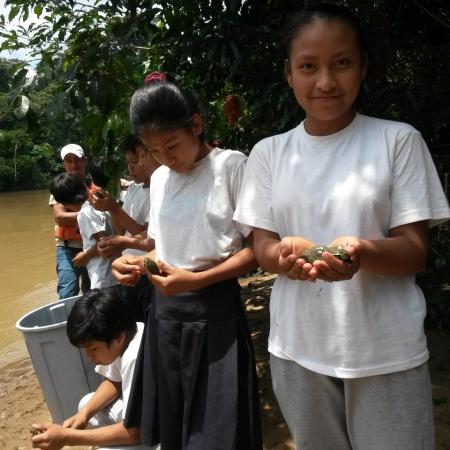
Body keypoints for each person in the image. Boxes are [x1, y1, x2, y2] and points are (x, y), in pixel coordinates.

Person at [234, 3, 450, 450]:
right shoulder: (268, 154)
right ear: (289, 74)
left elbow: (414, 249)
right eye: (308, 66)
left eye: (342, 63)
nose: (326, 82)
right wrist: (284, 258)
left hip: (384, 351)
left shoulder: (397, 140)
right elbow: (262, 246)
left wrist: (363, 252)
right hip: (297, 350)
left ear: (362, 67)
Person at [111, 73, 262, 450]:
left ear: (196, 124)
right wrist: (132, 264)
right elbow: (161, 248)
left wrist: (195, 282)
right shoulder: (161, 178)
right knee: (174, 429)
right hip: (164, 317)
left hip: (215, 314)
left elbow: (257, 249)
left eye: (172, 145)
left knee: (218, 433)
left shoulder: (231, 166)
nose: (166, 158)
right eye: (154, 150)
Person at [31, 288, 159, 450]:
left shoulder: (135, 357)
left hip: (168, 435)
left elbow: (134, 433)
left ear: (118, 337)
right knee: (86, 404)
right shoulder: (131, 332)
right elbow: (114, 381)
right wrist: (83, 415)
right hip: (146, 423)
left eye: (93, 349)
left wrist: (67, 437)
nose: (88, 356)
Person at [92, 134, 160, 321]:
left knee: (149, 318)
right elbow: (120, 230)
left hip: (148, 267)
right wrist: (111, 208)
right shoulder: (133, 189)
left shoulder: (159, 189)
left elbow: (147, 235)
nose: (130, 167)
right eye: (128, 162)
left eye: (135, 160)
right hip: (129, 268)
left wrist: (114, 208)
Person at [50, 172, 119, 290]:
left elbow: (106, 244)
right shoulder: (98, 206)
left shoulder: (85, 213)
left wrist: (85, 256)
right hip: (112, 273)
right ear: (83, 188)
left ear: (62, 202)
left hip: (104, 277)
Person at [49, 144, 91, 298]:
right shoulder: (60, 186)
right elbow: (61, 218)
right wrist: (93, 214)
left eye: (77, 160)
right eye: (68, 161)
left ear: (85, 161)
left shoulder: (95, 185)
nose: (74, 165)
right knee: (68, 291)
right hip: (67, 248)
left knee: (92, 291)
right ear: (64, 164)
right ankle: (66, 322)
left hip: (92, 248)